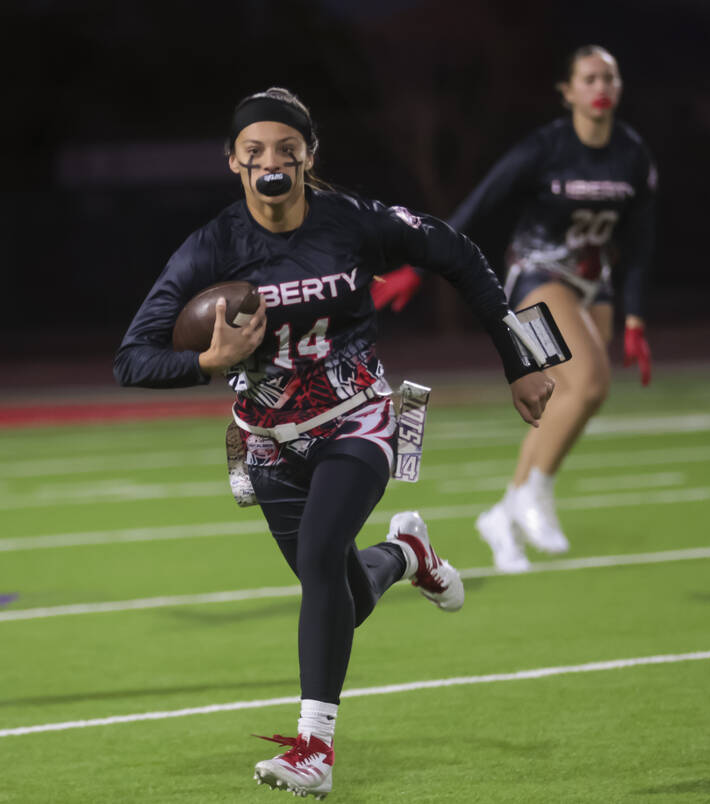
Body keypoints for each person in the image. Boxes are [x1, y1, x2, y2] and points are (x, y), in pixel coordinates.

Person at [114, 87, 554, 799]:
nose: (270, 162)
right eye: (253, 151)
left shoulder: (352, 222)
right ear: (233, 161)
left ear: (309, 156)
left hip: (359, 416)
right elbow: (130, 358)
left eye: (286, 149)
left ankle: (314, 750)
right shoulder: (214, 245)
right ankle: (407, 554)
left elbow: (461, 255)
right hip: (267, 445)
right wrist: (207, 362)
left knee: (320, 559)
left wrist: (524, 359)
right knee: (343, 589)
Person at [374, 45, 658, 573]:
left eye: (609, 78)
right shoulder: (546, 147)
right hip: (537, 275)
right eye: (589, 77)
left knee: (564, 400)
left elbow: (640, 240)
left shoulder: (633, 153)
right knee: (590, 384)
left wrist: (635, 317)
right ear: (568, 91)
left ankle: (504, 513)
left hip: (596, 287)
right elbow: (477, 205)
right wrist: (419, 264)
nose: (600, 86)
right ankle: (534, 494)